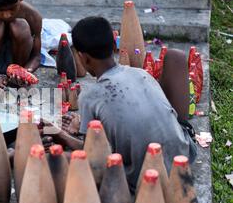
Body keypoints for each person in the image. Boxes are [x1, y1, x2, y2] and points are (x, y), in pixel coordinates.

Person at [44, 17, 197, 191]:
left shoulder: (89, 97)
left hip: (142, 176)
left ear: (83, 58)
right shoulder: (140, 74)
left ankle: (14, 157)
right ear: (114, 47)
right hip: (183, 157)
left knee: (59, 158)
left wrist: (61, 136)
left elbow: (94, 157)